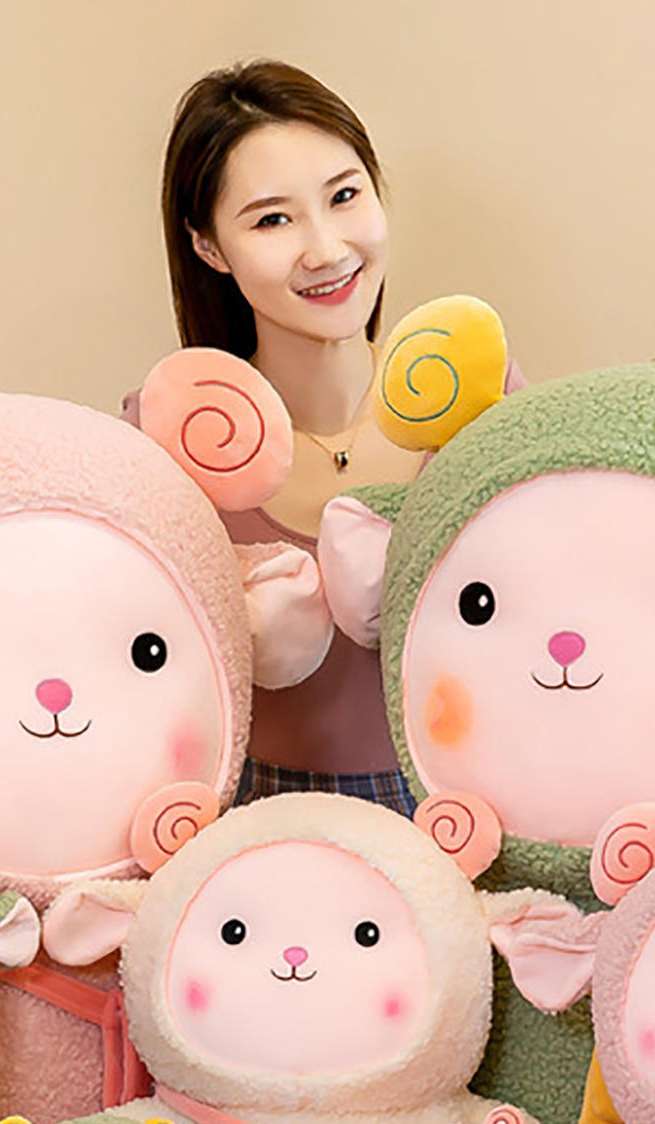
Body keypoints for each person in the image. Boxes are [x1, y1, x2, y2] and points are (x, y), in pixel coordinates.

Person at [136, 60, 523, 813]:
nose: (325, 249)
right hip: (249, 821)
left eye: (344, 196)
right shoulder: (170, 435)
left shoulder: (482, 398)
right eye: (272, 220)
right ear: (209, 247)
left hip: (463, 813)